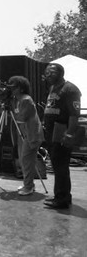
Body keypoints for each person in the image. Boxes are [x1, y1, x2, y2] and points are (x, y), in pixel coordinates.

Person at [42, 63, 81, 209]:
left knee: (61, 166)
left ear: (60, 73)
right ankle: (60, 195)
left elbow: (74, 114)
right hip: (51, 133)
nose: (47, 75)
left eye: (51, 72)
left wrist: (69, 133)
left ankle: (62, 199)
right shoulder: (52, 88)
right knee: (57, 166)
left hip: (61, 132)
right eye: (46, 72)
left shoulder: (70, 89)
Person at [8, 76, 45, 196]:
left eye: (14, 87)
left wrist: (11, 114)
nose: (11, 89)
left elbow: (21, 117)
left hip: (32, 135)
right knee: (24, 160)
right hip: (24, 134)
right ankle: (28, 184)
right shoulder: (16, 100)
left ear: (21, 88)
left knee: (26, 160)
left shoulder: (26, 100)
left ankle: (28, 187)